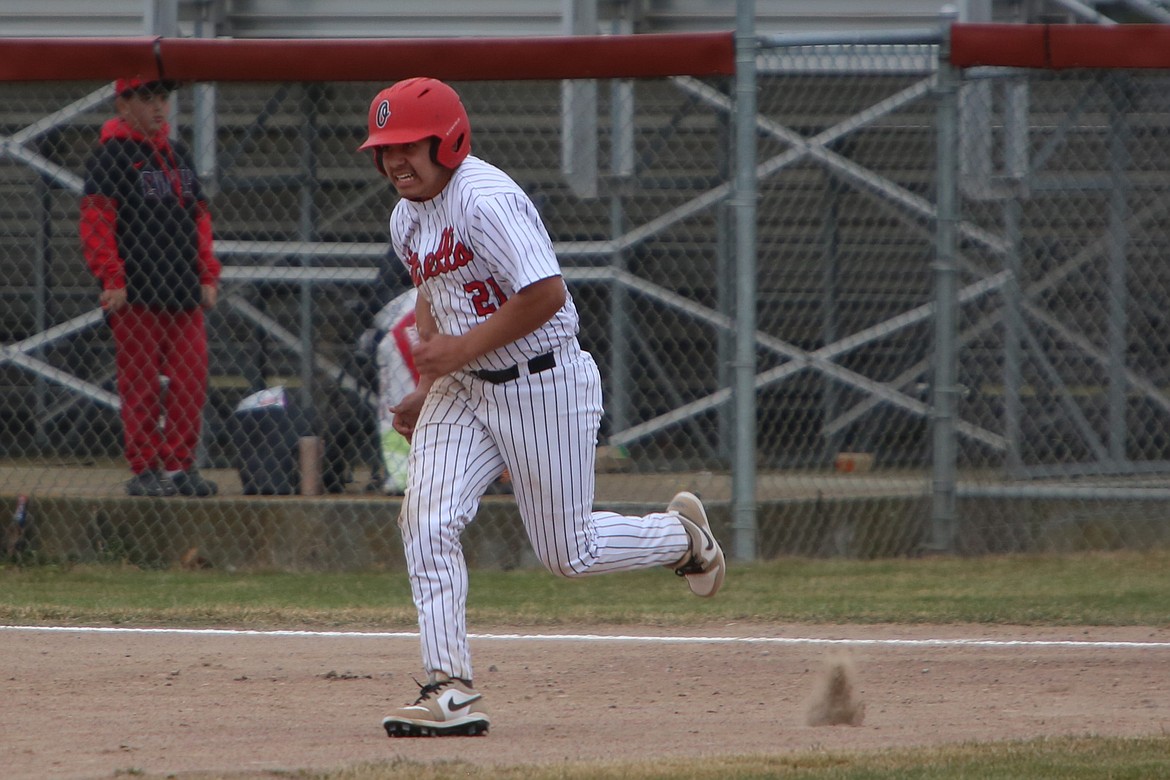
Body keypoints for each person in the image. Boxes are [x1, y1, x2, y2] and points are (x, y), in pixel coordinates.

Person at [359, 77, 726, 738]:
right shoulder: (406, 216)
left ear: (448, 141)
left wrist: (459, 348)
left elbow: (546, 295)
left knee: (568, 554)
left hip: (543, 385)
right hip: (465, 390)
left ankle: (682, 537)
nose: (392, 162)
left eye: (406, 146)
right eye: (382, 150)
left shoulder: (485, 200)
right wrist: (426, 380)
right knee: (426, 517)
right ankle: (448, 688)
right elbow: (435, 292)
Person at [79, 76, 221, 498]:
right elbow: (96, 224)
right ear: (122, 105)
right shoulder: (110, 158)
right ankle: (145, 467)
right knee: (139, 385)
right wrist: (112, 278)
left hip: (182, 291)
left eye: (162, 98)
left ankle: (179, 467)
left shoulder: (175, 154)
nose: (158, 107)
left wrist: (207, 275)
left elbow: (200, 218)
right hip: (135, 294)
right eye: (146, 98)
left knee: (189, 381)